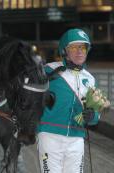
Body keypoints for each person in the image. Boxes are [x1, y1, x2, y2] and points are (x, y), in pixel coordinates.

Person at [37, 28, 100, 173]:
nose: (80, 51)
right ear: (64, 50)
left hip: (76, 139)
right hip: (49, 135)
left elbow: (96, 113)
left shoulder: (90, 79)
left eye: (83, 47)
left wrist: (92, 116)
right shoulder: (48, 70)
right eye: (74, 47)